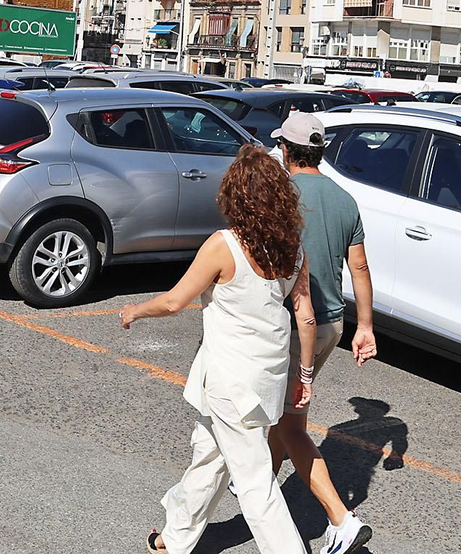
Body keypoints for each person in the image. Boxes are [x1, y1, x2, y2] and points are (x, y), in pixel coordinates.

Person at [121, 145, 318, 554]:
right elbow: (307, 317)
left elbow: (175, 302)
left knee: (254, 481)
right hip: (266, 375)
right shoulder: (293, 250)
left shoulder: (223, 245)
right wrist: (304, 377)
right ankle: (173, 539)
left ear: (235, 195)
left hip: (230, 380)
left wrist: (134, 311)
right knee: (209, 457)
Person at [267, 112, 377, 554]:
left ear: (288, 151)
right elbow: (360, 267)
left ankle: (341, 519)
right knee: (284, 412)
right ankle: (260, 481)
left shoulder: (283, 196)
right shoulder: (345, 199)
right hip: (333, 324)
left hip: (295, 323)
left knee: (291, 423)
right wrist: (365, 326)